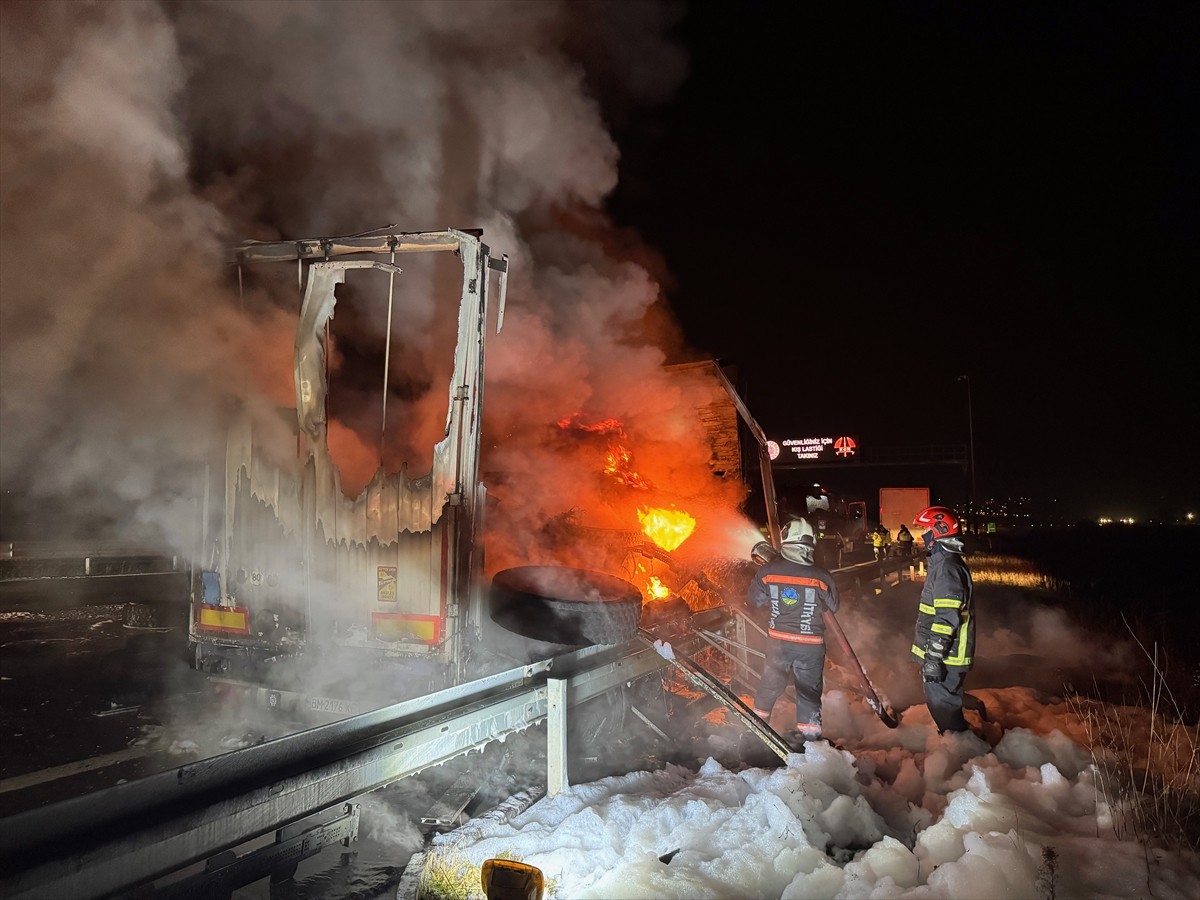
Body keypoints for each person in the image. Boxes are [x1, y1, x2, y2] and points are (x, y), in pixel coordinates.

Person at [748, 518, 840, 746]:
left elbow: (755, 601)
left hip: (778, 643)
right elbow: (833, 606)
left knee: (769, 685)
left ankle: (756, 733)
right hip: (811, 646)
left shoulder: (767, 571)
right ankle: (811, 742)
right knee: (808, 692)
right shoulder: (822, 575)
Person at [911, 505, 975, 734]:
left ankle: (963, 749)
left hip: (947, 656)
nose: (922, 536)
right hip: (943, 654)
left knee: (944, 709)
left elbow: (946, 619)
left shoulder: (947, 568)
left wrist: (934, 658)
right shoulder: (942, 565)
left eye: (925, 530)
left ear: (938, 531)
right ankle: (958, 744)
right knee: (941, 706)